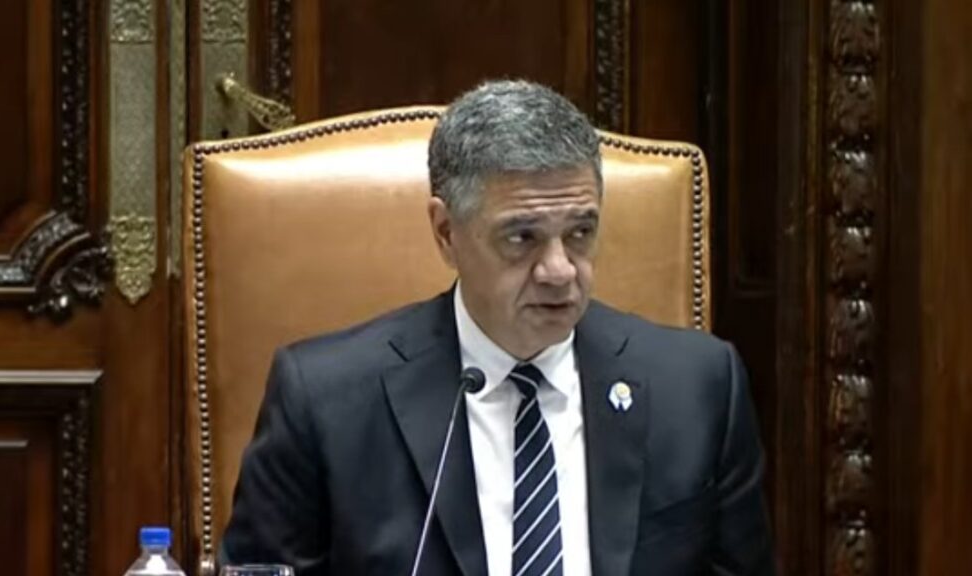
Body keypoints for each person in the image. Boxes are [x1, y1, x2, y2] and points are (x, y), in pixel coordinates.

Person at [220, 80, 775, 575]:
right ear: (446, 233)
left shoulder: (699, 388)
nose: (560, 271)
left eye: (580, 233)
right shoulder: (325, 403)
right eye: (522, 238)